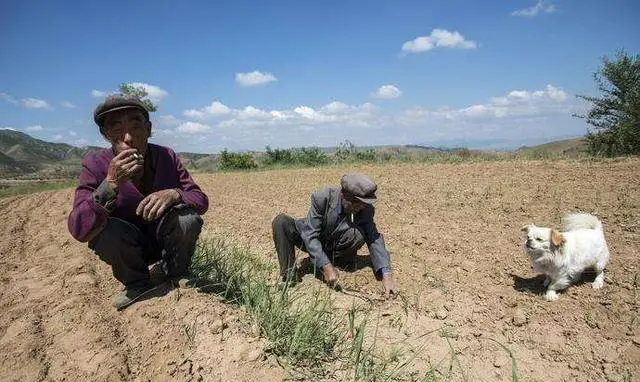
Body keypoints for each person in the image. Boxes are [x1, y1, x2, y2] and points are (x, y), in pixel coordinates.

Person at [67, 94, 209, 311]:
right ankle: (136, 283)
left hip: (163, 239)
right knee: (106, 231)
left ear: (149, 129)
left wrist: (175, 193)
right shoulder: (95, 165)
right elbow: (79, 228)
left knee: (187, 218)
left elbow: (200, 199)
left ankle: (176, 272)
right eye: (116, 128)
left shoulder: (166, 156)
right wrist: (110, 183)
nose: (128, 137)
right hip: (128, 247)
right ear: (105, 135)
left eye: (136, 126)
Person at [272, 173, 398, 298]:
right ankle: (289, 276)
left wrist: (386, 275)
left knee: (359, 234)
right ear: (344, 194)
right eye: (356, 202)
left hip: (335, 245)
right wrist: (326, 266)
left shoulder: (366, 209)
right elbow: (310, 235)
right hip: (311, 238)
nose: (361, 207)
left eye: (364, 203)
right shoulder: (322, 197)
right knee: (281, 221)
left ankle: (337, 261)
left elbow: (374, 238)